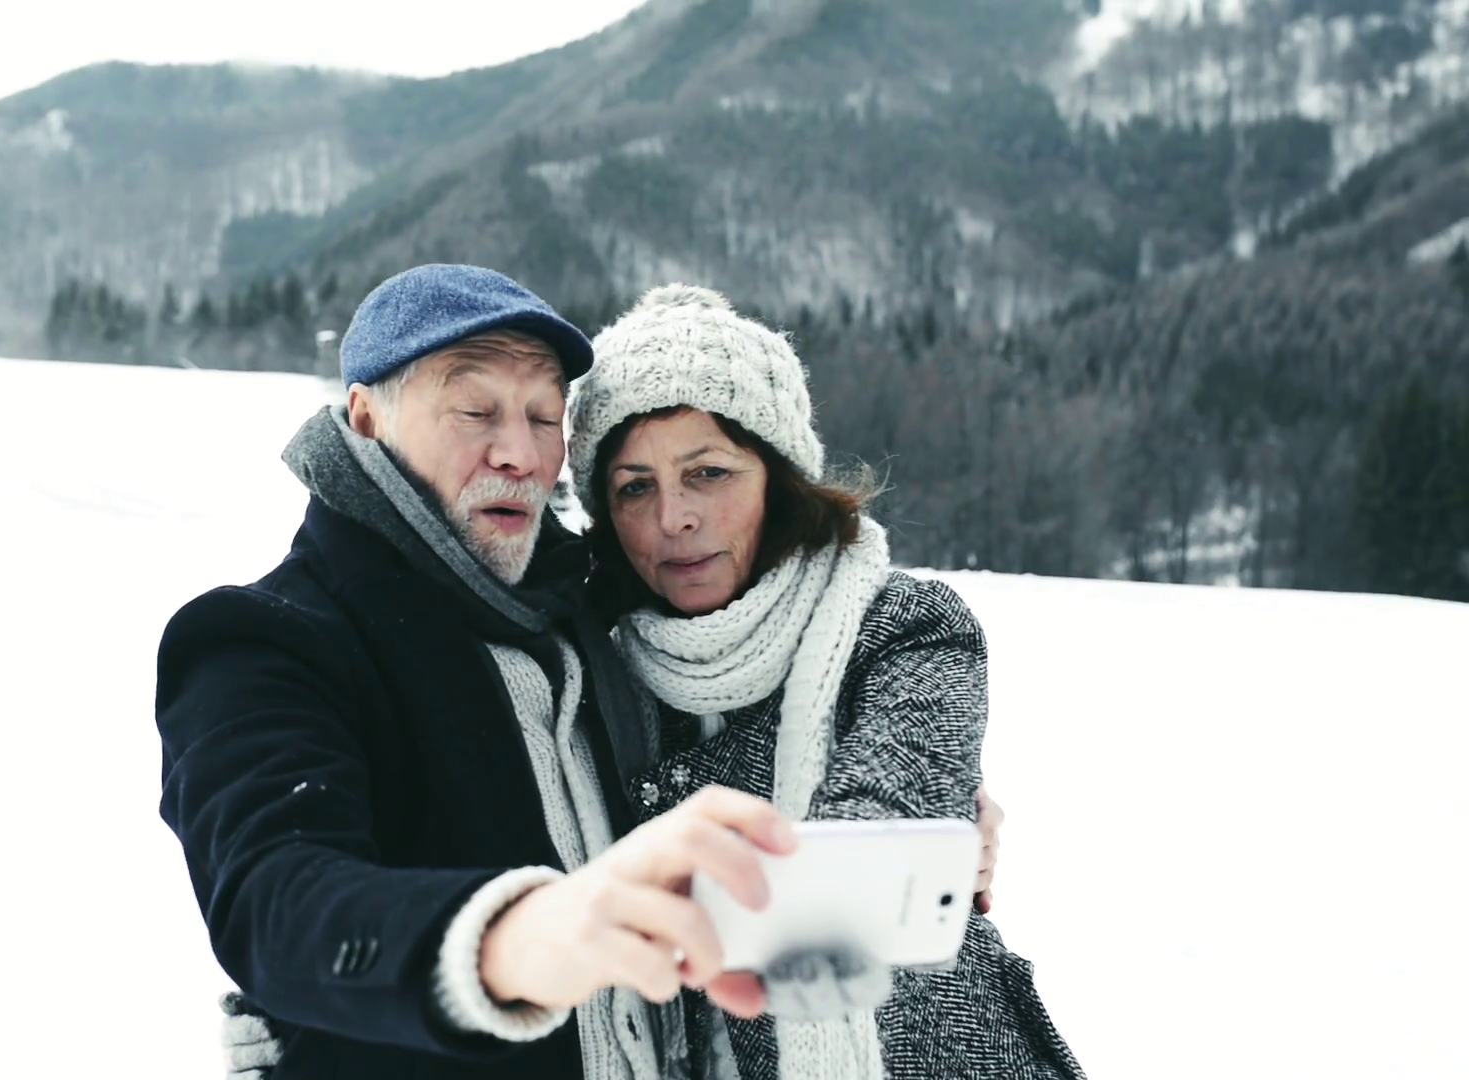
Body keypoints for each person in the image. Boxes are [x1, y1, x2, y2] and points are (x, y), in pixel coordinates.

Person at [157, 264, 812, 1080]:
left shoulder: (589, 614)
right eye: (476, 412)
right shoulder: (266, 641)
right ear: (365, 418)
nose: (521, 455)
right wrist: (513, 939)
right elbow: (279, 905)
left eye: (544, 417)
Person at [564, 285, 1085, 1080]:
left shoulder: (905, 626)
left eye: (709, 473)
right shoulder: (585, 669)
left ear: (778, 478)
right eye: (636, 486)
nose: (674, 518)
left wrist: (910, 853)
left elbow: (875, 837)